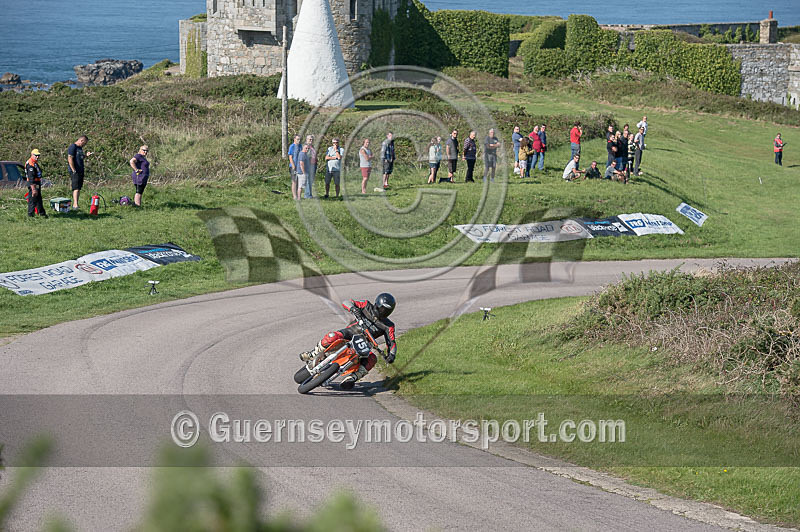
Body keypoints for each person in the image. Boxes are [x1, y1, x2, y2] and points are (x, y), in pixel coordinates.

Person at [299, 293, 397, 390]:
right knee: (331, 336)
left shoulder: (389, 326)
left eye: (387, 311)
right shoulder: (366, 305)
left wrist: (391, 355)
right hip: (349, 333)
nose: (383, 312)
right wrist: (353, 308)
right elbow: (347, 302)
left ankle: (352, 378)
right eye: (382, 309)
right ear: (377, 304)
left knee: (372, 359)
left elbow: (392, 342)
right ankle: (313, 353)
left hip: (364, 345)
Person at [67, 135, 92, 210]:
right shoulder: (73, 147)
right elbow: (70, 158)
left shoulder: (80, 148)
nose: (84, 145)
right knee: (76, 187)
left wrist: (86, 156)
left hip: (81, 170)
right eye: (84, 143)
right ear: (81, 141)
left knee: (79, 187)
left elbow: (80, 157)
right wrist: (73, 170)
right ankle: (75, 205)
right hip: (75, 171)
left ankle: (76, 203)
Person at [25, 149, 46, 218]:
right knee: (32, 199)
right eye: (36, 155)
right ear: (32, 155)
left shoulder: (35, 163)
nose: (37, 157)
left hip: (37, 183)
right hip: (33, 184)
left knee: (38, 199)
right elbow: (31, 178)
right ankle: (30, 215)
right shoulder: (30, 164)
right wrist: (33, 189)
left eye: (38, 155)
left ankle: (42, 214)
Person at [287, 135, 302, 200]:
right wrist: (293, 166)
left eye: (299, 139)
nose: (299, 140)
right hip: (293, 166)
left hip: (300, 166)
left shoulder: (300, 146)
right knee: (294, 181)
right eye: (297, 139)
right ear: (294, 139)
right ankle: (294, 196)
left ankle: (298, 195)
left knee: (299, 181)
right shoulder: (292, 146)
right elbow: (290, 157)